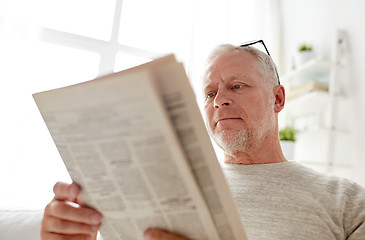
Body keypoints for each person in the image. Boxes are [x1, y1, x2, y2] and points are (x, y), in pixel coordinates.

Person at [41, 42, 365, 240]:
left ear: (277, 98)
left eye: (237, 86)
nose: (219, 100)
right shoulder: (166, 187)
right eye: (210, 93)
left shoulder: (347, 201)